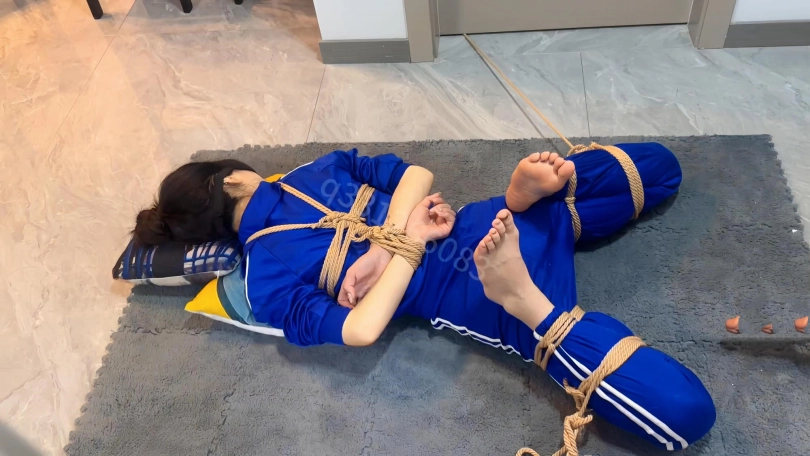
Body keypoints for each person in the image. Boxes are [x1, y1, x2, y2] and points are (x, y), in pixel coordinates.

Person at [134, 145, 715, 451]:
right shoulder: (293, 217)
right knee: (660, 168)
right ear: (232, 178)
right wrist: (408, 240)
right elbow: (361, 327)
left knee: (657, 172)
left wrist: (382, 249)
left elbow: (414, 175)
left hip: (484, 257)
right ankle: (527, 270)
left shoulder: (269, 267)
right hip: (489, 271)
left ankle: (526, 224)